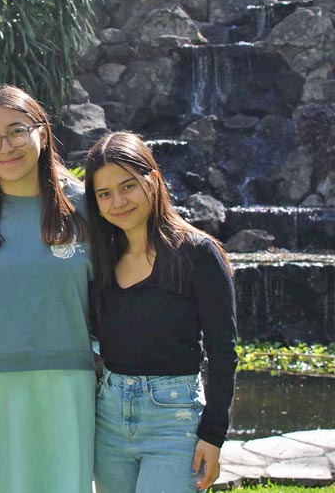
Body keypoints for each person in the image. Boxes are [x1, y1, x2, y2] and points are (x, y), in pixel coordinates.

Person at [0, 85, 96, 493]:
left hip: (68, 389)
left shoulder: (87, 208)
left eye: (16, 131)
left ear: (42, 133)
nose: (4, 146)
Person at [84, 132, 238, 493]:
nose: (117, 202)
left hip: (175, 420)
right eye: (104, 194)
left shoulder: (197, 253)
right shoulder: (102, 258)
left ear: (152, 180)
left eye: (128, 186)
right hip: (109, 417)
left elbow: (223, 351)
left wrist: (214, 435)